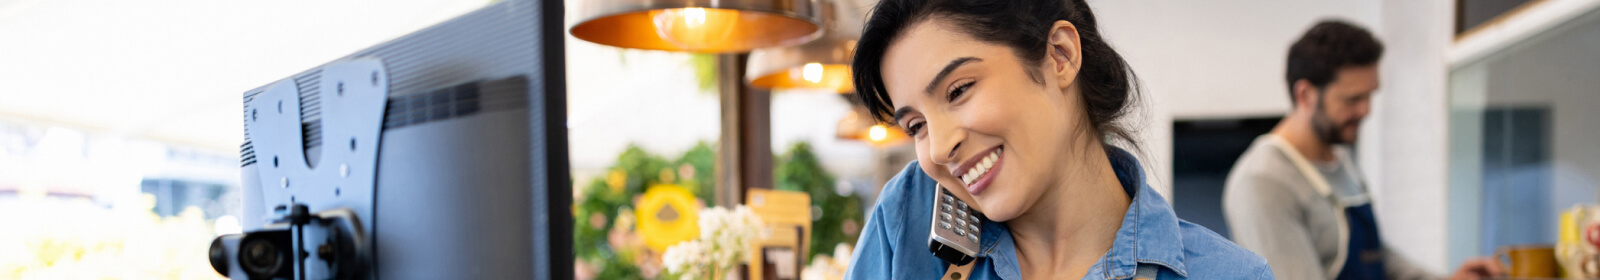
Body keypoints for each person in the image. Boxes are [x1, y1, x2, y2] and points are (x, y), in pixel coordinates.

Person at [843, 0, 1271, 279]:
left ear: (1060, 56)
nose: (937, 149)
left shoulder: (1228, 274)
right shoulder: (911, 215)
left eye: (958, 91)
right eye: (916, 125)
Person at [1222, 20, 1503, 280]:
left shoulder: (1339, 160)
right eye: (1352, 99)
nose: (1366, 111)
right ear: (1305, 95)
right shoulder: (1263, 181)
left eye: (1370, 95)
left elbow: (1376, 258)